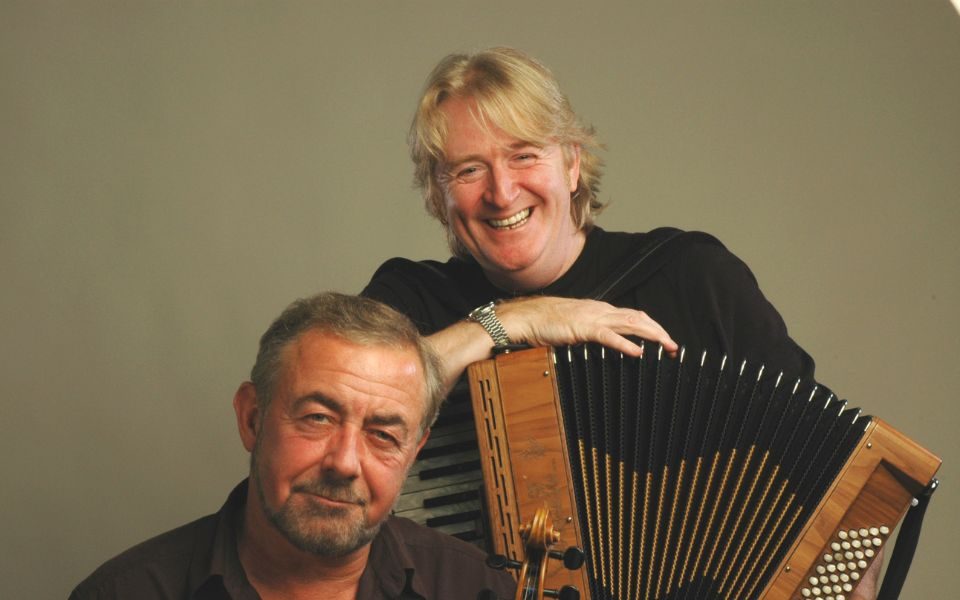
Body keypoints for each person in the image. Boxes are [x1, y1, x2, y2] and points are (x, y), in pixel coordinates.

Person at [362, 47, 879, 599]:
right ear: (439, 199)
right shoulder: (412, 299)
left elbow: (834, 479)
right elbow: (346, 406)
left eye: (524, 156)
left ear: (572, 164)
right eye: (468, 170)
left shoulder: (691, 277)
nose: (501, 192)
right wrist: (511, 321)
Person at [69, 292, 516, 600]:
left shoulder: (478, 587)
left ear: (414, 452)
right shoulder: (123, 593)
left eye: (382, 435)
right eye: (318, 418)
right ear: (251, 418)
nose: (344, 463)